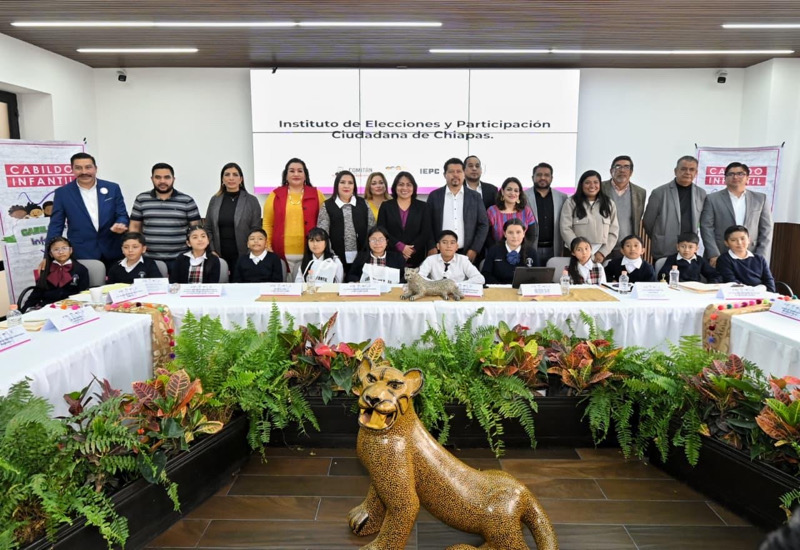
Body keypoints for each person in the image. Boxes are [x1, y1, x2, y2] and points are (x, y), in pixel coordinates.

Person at [44, 152, 129, 268]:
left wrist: (121, 223)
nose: (84, 172)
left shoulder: (112, 188)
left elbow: (122, 214)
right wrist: (47, 257)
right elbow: (56, 225)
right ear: (72, 170)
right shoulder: (63, 193)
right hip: (82, 253)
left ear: (96, 169)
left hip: (113, 250)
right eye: (78, 168)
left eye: (88, 167)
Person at [700, 162, 773, 267]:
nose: (735, 177)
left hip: (750, 255)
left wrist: (760, 257)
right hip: (720, 254)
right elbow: (706, 227)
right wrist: (713, 254)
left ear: (747, 177)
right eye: (730, 174)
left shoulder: (760, 199)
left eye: (740, 174)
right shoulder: (712, 199)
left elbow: (766, 229)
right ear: (725, 178)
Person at [262, 158, 326, 276]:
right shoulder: (275, 195)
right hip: (280, 252)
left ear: (305, 175)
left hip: (311, 251)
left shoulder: (317, 194)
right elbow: (267, 223)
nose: (296, 174)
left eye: (300, 171)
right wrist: (268, 246)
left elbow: (324, 223)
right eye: (291, 171)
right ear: (286, 175)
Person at [129, 163, 202, 265]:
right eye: (158, 177)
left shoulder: (187, 201)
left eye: (167, 177)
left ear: (173, 179)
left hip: (181, 259)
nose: (162, 181)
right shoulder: (141, 199)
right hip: (149, 259)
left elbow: (196, 230)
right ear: (152, 179)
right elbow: (134, 228)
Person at [425, 158, 489, 264]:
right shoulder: (434, 196)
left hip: (467, 253)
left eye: (459, 171)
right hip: (439, 254)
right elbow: (427, 224)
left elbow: (483, 224)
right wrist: (431, 246)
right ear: (444, 175)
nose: (455, 175)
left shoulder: (475, 197)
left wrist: (474, 249)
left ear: (464, 174)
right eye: (451, 172)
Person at [643, 155, 707, 260]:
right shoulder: (659, 192)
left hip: (689, 250)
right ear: (675, 171)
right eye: (683, 169)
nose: (687, 172)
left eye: (691, 169)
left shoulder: (701, 194)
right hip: (665, 248)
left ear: (696, 173)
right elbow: (648, 222)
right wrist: (659, 237)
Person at [204, 162, 263, 273]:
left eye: (235, 175)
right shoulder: (215, 200)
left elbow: (256, 229)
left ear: (241, 179)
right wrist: (211, 250)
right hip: (218, 255)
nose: (231, 178)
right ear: (222, 179)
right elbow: (208, 228)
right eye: (227, 175)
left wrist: (250, 251)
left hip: (245, 255)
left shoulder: (251, 201)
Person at [317, 170, 375, 274]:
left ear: (354, 186)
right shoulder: (327, 205)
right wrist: (331, 255)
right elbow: (323, 233)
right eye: (342, 182)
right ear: (337, 185)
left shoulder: (363, 204)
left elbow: (372, 229)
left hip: (362, 258)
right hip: (336, 259)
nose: (346, 186)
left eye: (350, 183)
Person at [560, 170, 619, 264]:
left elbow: (613, 231)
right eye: (587, 183)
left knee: (600, 278)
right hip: (576, 253)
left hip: (601, 254)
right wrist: (579, 250)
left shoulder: (609, 203)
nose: (592, 186)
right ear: (581, 185)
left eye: (596, 182)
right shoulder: (571, 202)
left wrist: (602, 253)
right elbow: (565, 228)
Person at [377, 171, 431, 268]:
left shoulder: (423, 207)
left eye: (408, 185)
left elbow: (425, 232)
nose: (404, 188)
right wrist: (400, 247)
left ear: (413, 187)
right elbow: (381, 230)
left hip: (416, 256)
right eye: (401, 184)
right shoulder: (386, 206)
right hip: (391, 255)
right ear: (395, 187)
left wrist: (410, 250)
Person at [22, 236, 90, 312]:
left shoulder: (81, 269)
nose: (61, 252)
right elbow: (37, 292)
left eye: (64, 248)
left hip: (72, 307)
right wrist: (23, 311)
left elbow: (84, 293)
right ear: (51, 254)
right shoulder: (45, 269)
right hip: (48, 307)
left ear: (71, 250)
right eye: (56, 249)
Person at [600, 155, 646, 259]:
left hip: (627, 247)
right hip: (602, 246)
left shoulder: (640, 193)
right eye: (618, 167)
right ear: (611, 170)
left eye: (626, 167)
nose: (622, 170)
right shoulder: (600, 188)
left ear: (631, 172)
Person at [525, 162, 568, 265]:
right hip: (531, 247)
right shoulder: (523, 196)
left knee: (553, 279)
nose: (542, 178)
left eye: (546, 175)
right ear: (533, 177)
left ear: (551, 178)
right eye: (539, 175)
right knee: (532, 278)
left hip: (554, 248)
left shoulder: (562, 197)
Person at [715, 225, 776, 292]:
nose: (739, 243)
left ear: (749, 240)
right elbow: (732, 282)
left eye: (742, 239)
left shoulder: (759, 259)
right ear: (726, 243)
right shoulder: (724, 260)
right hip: (739, 296)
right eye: (733, 240)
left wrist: (767, 292)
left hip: (763, 295)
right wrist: (756, 290)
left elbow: (769, 281)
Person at [481, 219, 538, 285]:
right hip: (499, 291)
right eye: (510, 232)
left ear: (524, 233)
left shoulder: (531, 252)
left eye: (518, 232)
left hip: (524, 292)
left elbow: (537, 276)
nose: (514, 236)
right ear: (505, 234)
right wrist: (501, 286)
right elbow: (486, 274)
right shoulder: (494, 250)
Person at [486, 177, 538, 246]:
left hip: (522, 253)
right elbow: (487, 237)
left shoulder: (526, 211)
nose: (512, 193)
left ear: (519, 194)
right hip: (497, 253)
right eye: (509, 189)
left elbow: (531, 236)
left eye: (516, 190)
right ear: (502, 191)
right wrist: (498, 251)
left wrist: (519, 251)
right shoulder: (492, 211)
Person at [418, 230, 485, 284]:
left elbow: (480, 279)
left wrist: (457, 285)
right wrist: (436, 285)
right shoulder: (430, 260)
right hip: (437, 293)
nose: (449, 246)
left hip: (458, 293)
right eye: (444, 242)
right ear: (438, 246)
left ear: (456, 247)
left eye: (452, 243)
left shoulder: (463, 260)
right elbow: (419, 277)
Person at [656, 232, 721, 283]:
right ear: (677, 247)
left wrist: (713, 283)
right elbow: (662, 275)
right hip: (677, 289)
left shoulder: (699, 260)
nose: (686, 250)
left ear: (696, 249)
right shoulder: (672, 259)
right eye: (683, 246)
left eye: (690, 247)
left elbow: (714, 274)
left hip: (695, 290)